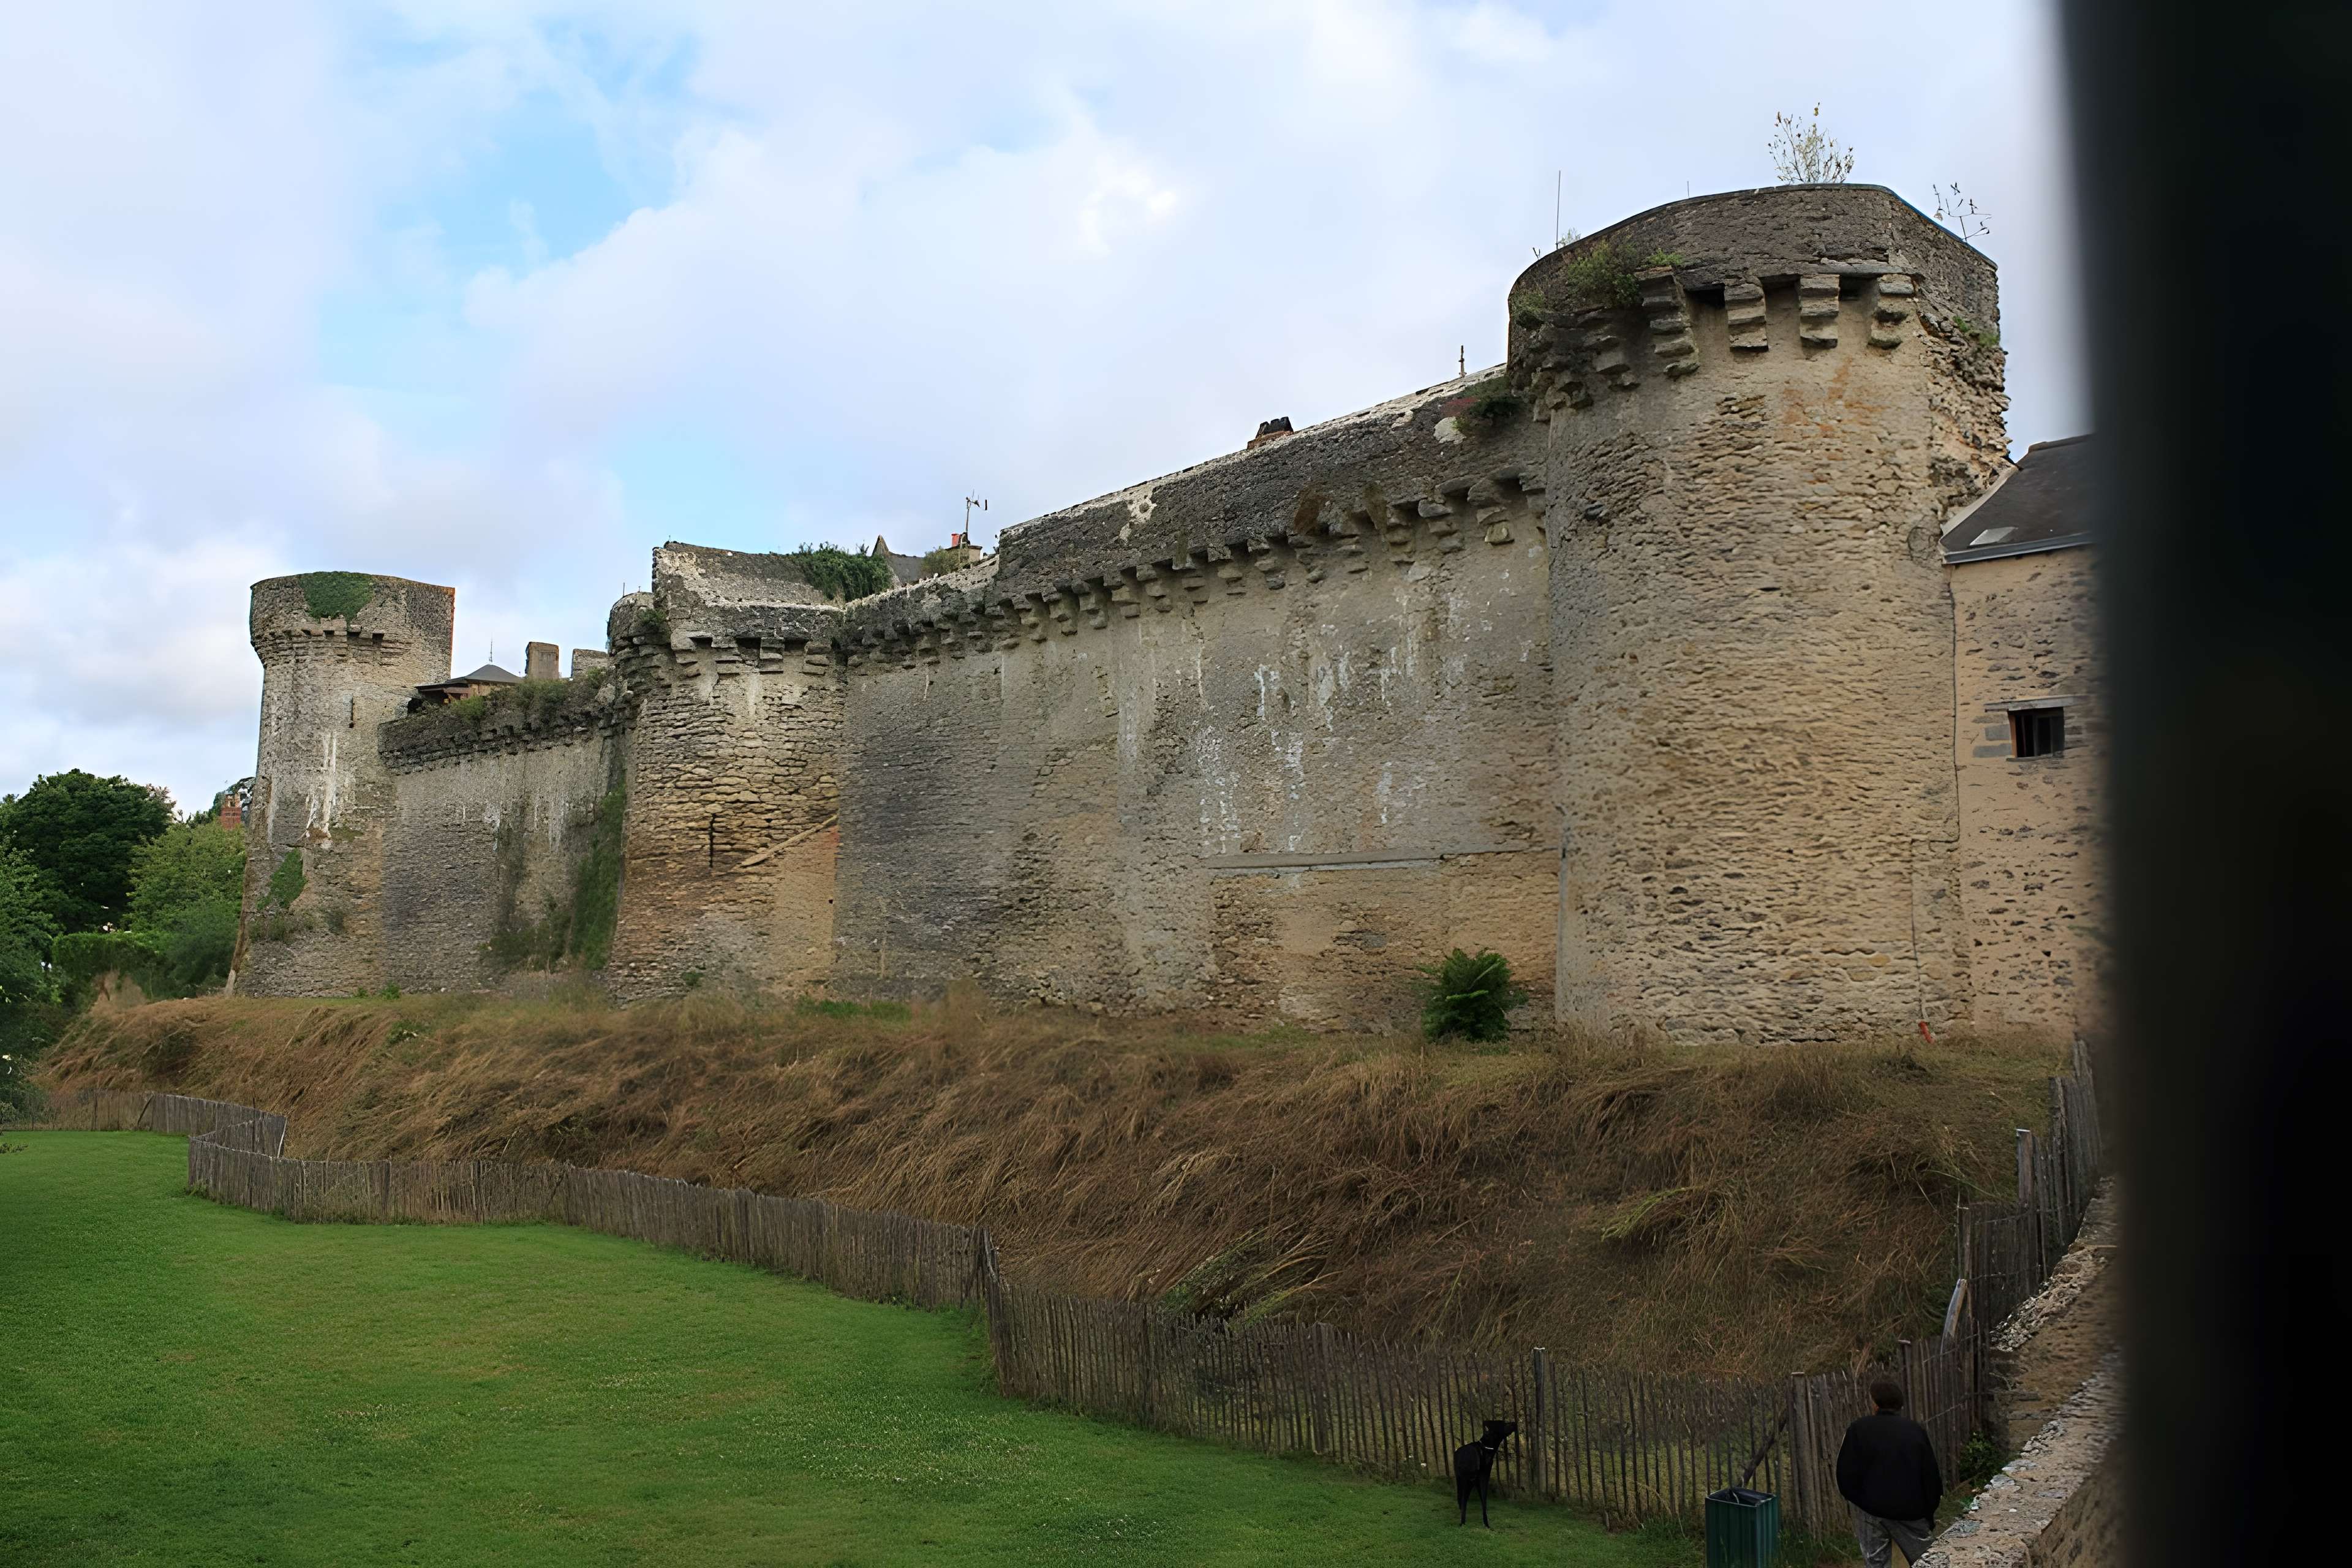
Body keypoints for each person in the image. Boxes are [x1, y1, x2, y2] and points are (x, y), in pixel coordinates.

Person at [1835, 1379, 1943, 1567]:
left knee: (1876, 1563)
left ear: (1876, 1405)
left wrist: (1862, 1502)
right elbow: (1931, 1477)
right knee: (1928, 1562)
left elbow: (1845, 1475)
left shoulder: (1858, 1429)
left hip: (1871, 1512)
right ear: (1899, 1405)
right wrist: (1927, 1514)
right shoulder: (1915, 1431)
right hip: (1910, 1512)